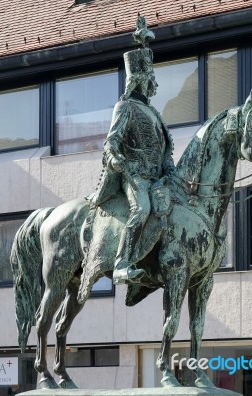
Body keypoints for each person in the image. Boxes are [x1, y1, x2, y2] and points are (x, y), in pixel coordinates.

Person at [89, 18, 175, 285]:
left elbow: (164, 151)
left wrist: (171, 170)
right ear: (138, 79)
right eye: (150, 78)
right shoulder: (124, 107)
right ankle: (121, 264)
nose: (154, 84)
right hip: (135, 175)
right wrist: (115, 158)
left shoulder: (154, 112)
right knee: (142, 209)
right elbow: (111, 141)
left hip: (158, 177)